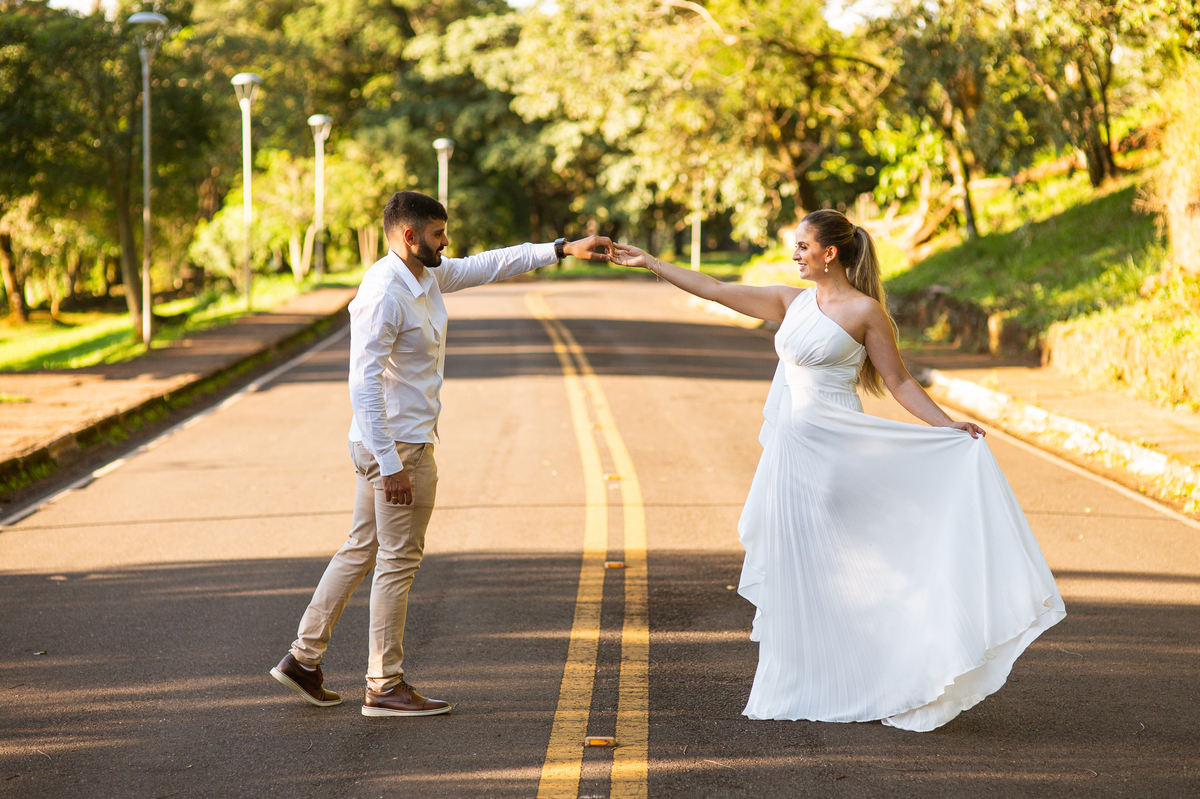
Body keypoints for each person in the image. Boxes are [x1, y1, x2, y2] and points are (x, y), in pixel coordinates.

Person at [610, 209, 1065, 731]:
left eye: (804, 246)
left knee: (847, 564)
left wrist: (946, 428)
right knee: (797, 564)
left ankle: (895, 667)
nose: (796, 254)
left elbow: (899, 382)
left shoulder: (866, 312)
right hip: (788, 453)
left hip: (839, 453)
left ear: (830, 254)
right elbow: (713, 287)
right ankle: (808, 679)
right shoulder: (790, 300)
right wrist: (649, 263)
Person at [271, 191, 613, 717]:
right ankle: (384, 685)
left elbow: (490, 264)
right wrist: (391, 465)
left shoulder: (425, 276)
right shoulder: (385, 292)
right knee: (397, 560)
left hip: (392, 440)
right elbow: (362, 384)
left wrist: (563, 248)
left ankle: (303, 659)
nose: (445, 241)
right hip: (396, 445)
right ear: (408, 237)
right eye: (437, 233)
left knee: (363, 546)